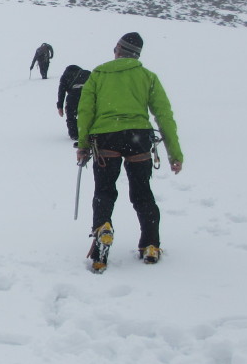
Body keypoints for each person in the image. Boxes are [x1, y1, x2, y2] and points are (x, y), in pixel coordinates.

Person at [75, 33, 183, 271]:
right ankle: (150, 244)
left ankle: (103, 231)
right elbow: (164, 115)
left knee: (104, 190)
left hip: (105, 138)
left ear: (117, 50)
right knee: (142, 192)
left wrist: (83, 145)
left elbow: (85, 112)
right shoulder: (147, 77)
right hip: (139, 138)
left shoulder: (98, 75)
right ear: (136, 55)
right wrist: (174, 153)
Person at [56, 64, 91, 141]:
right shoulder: (87, 73)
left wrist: (60, 106)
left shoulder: (65, 76)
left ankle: (74, 134)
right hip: (87, 95)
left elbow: (61, 91)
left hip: (73, 96)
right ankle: (89, 131)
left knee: (71, 115)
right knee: (88, 114)